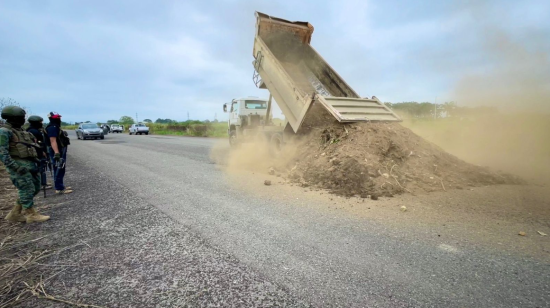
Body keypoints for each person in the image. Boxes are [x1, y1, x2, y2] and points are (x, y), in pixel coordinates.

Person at [1, 106, 50, 223]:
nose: (23, 119)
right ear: (12, 118)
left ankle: (15, 213)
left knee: (35, 188)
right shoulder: (4, 132)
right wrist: (14, 167)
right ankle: (31, 214)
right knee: (26, 188)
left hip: (31, 164)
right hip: (18, 165)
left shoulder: (21, 131)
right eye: (20, 117)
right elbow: (2, 152)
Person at [45, 112, 73, 194]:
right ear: (51, 118)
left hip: (59, 149)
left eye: (58, 117)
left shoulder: (55, 126)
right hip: (56, 150)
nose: (58, 119)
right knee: (58, 168)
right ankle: (59, 188)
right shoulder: (52, 127)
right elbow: (52, 141)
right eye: (56, 118)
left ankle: (60, 185)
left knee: (60, 168)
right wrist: (57, 153)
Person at [26, 115, 52, 189]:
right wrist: (41, 151)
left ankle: (42, 183)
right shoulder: (33, 131)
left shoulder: (32, 129)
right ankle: (42, 184)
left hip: (38, 151)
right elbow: (35, 143)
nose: (41, 123)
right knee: (41, 168)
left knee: (41, 168)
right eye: (40, 122)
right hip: (37, 152)